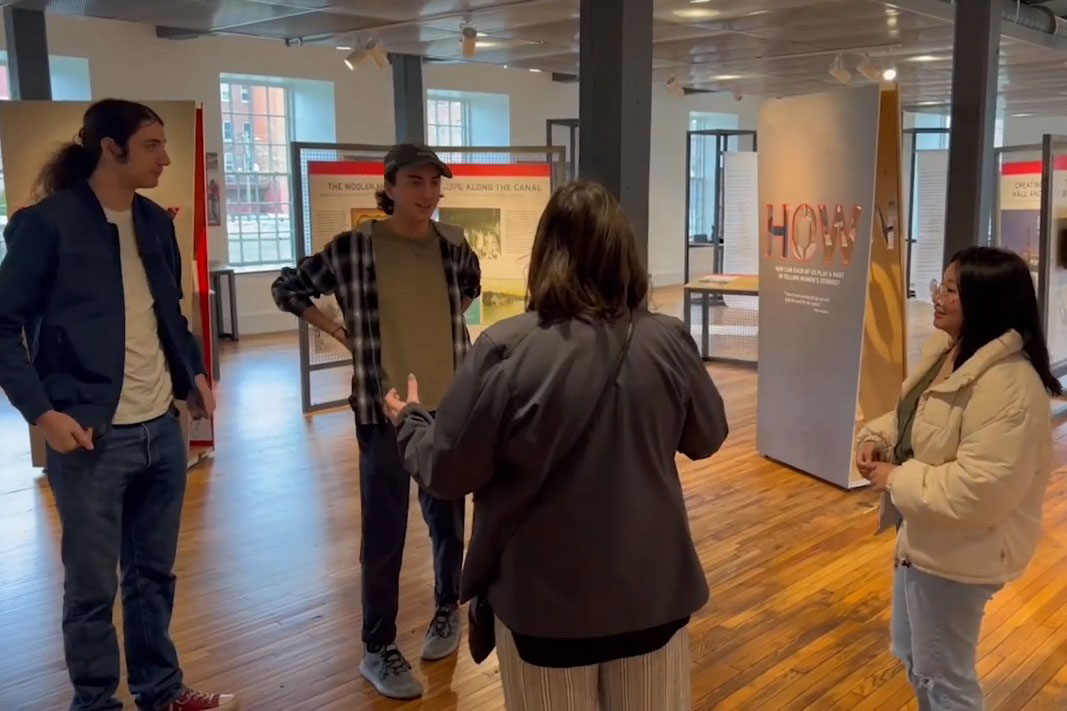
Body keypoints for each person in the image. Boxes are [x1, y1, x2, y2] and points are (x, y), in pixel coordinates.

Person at [384, 181, 728, 710]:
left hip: (543, 605)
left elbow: (446, 469)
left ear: (547, 254)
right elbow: (708, 436)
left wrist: (409, 421)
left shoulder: (505, 348)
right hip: (653, 595)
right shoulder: (668, 339)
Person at [0, 99, 236, 711]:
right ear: (111, 147)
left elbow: (169, 314)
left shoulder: (156, 222)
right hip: (89, 437)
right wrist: (42, 413)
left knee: (154, 575)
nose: (166, 156)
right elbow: (2, 326)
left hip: (162, 427)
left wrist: (195, 377)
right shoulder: (46, 224)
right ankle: (96, 702)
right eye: (153, 144)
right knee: (90, 587)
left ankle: (160, 690)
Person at [271, 144, 480, 700]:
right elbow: (288, 287)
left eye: (436, 183)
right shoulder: (355, 248)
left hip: (446, 408)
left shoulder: (455, 247)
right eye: (416, 182)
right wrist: (339, 331)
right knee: (384, 535)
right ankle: (377, 646)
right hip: (382, 411)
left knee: (447, 523)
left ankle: (446, 610)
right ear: (388, 186)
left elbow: (466, 294)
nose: (428, 194)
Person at [857, 247, 1060, 711]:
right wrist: (877, 438)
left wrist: (894, 477)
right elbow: (919, 420)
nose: (937, 297)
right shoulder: (948, 353)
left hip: (961, 555)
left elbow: (978, 492)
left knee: (945, 680)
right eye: (940, 285)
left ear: (985, 303)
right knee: (916, 661)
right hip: (925, 540)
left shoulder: (1008, 386)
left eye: (951, 290)